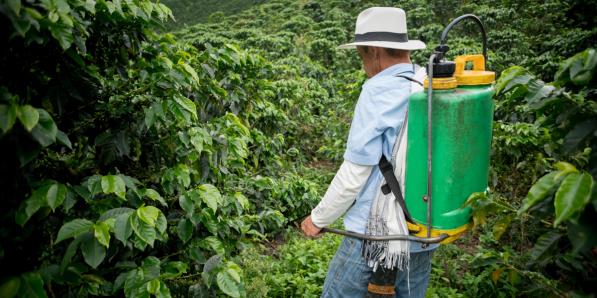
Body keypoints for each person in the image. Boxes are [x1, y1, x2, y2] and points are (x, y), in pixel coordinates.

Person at [300, 7, 438, 298]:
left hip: (375, 231)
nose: (363, 64)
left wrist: (319, 219)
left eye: (361, 55)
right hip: (425, 227)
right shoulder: (429, 82)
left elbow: (355, 173)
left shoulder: (378, 90)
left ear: (374, 52)